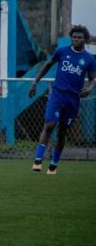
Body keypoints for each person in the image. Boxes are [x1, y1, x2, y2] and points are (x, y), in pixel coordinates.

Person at [29, 25, 95, 174]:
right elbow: (47, 65)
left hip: (73, 99)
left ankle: (53, 165)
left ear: (85, 40)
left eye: (79, 37)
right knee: (50, 124)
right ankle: (38, 160)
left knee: (62, 132)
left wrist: (90, 88)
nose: (76, 40)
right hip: (58, 95)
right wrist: (35, 82)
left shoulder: (89, 59)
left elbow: (92, 79)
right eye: (74, 37)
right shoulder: (62, 51)